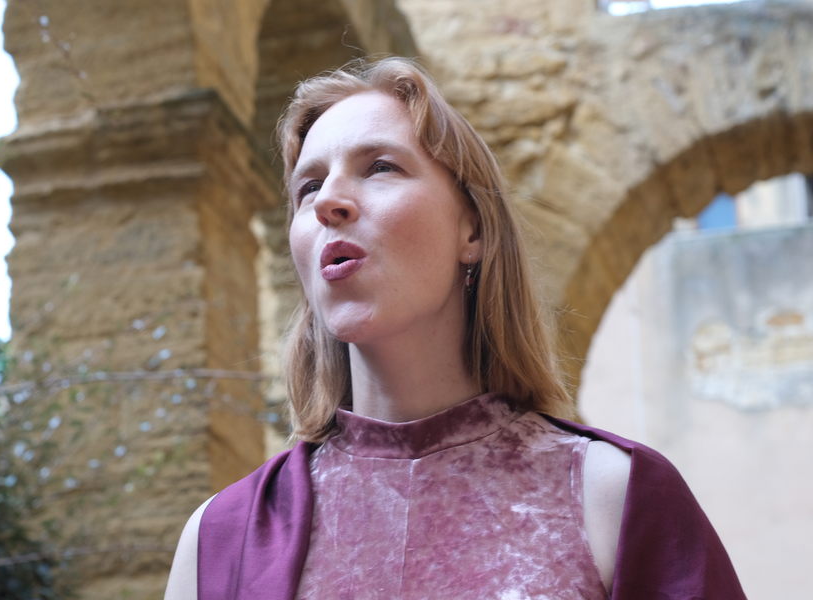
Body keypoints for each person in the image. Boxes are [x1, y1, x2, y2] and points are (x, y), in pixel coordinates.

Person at [165, 57, 746, 600]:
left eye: (380, 167)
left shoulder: (616, 499)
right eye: (308, 187)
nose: (328, 202)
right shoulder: (219, 540)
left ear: (473, 231)